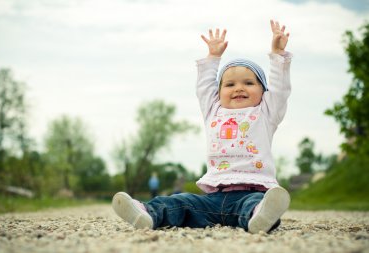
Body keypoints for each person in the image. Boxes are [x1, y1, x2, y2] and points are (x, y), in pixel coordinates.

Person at [112, 20, 292, 234]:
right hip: (213, 198)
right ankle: (148, 213)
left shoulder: (265, 113)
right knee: (181, 201)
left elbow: (280, 91)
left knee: (253, 204)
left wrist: (278, 54)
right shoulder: (213, 111)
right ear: (219, 92)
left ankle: (259, 215)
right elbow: (204, 88)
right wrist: (213, 58)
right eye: (230, 84)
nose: (239, 88)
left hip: (251, 192)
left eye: (249, 83)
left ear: (263, 92)